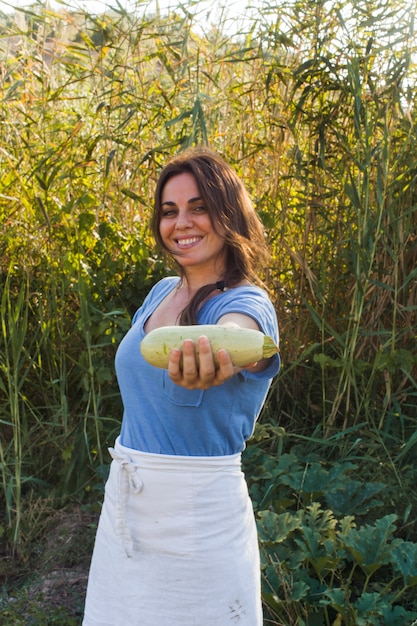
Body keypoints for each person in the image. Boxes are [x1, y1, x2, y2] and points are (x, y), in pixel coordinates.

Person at [82, 146, 281, 626]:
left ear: (228, 212)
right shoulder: (160, 294)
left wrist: (221, 358)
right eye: (169, 211)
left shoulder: (247, 301)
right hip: (128, 505)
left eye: (199, 207)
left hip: (199, 518)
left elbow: (242, 337)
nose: (182, 222)